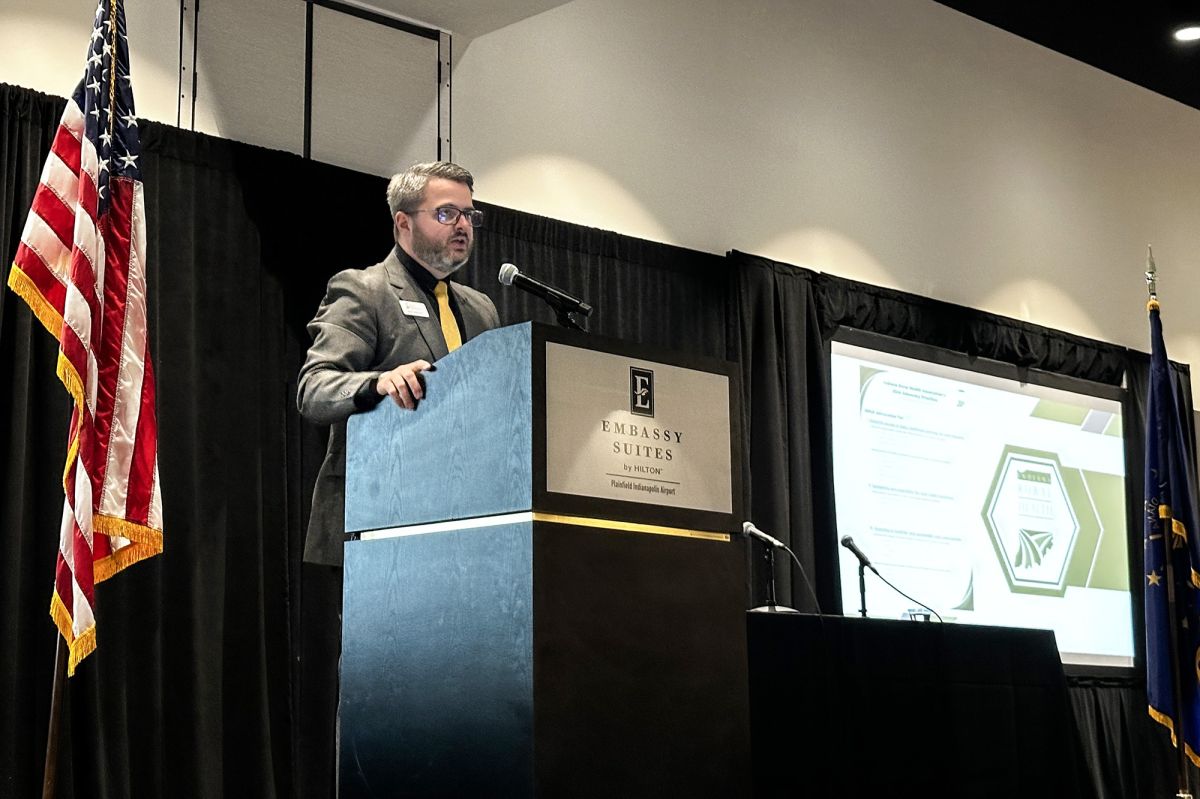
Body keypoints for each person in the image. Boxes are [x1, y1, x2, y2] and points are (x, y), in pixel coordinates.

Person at [297, 161, 501, 567]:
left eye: (469, 215)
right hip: (376, 520)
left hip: (467, 523)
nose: (463, 225)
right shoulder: (364, 290)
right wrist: (378, 383)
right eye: (446, 213)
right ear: (403, 222)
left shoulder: (482, 309)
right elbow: (314, 389)